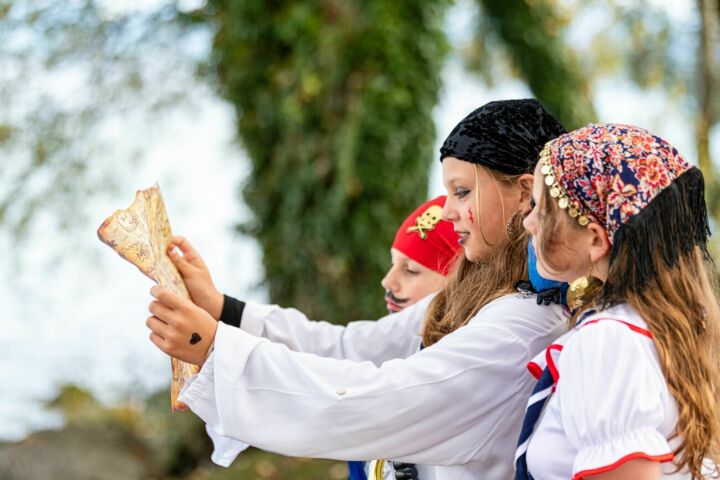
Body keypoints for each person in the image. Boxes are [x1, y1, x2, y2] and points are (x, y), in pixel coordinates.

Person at [145, 99, 568, 480]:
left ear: (525, 193)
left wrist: (213, 347)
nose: (447, 212)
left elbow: (381, 402)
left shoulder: (524, 323)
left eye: (461, 191)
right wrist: (224, 311)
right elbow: (351, 348)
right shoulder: (476, 293)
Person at [517, 123, 720, 479]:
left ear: (596, 239)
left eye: (539, 207)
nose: (528, 222)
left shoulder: (607, 341)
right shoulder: (682, 332)